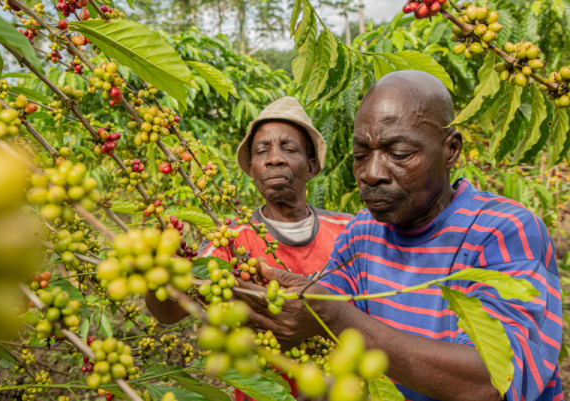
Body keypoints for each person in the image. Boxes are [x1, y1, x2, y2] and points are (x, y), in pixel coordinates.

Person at [235, 71, 563, 401]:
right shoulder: (360, 235)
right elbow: (321, 335)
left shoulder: (502, 230)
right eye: (360, 155)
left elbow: (492, 382)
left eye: (400, 153)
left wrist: (339, 320)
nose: (371, 173)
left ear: (450, 150)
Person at [145, 97, 353, 399]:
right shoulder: (229, 240)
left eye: (289, 148)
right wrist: (160, 272)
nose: (274, 159)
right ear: (253, 169)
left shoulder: (349, 232)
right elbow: (169, 311)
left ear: (310, 167)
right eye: (262, 151)